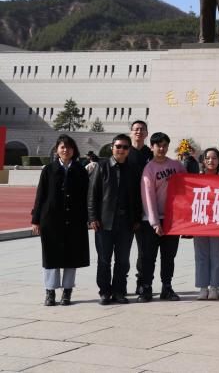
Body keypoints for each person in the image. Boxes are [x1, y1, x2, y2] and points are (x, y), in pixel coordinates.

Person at [32, 135, 90, 306]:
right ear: (57, 149)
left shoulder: (80, 170)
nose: (66, 150)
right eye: (62, 147)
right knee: (51, 256)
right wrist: (36, 220)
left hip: (74, 220)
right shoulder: (48, 170)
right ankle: (50, 292)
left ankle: (67, 291)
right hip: (51, 220)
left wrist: (88, 218)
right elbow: (40, 195)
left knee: (72, 256)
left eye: (69, 147)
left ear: (74, 150)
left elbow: (87, 196)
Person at [88, 133, 141, 305]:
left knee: (123, 260)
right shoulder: (102, 167)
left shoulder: (133, 169)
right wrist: (92, 217)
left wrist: (136, 219)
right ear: (112, 147)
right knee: (104, 259)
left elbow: (137, 197)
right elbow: (92, 194)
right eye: (118, 146)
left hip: (126, 222)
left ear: (129, 150)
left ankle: (119, 291)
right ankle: (105, 292)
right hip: (104, 222)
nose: (121, 150)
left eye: (125, 147)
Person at [139, 132, 185, 301]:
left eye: (165, 145)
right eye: (158, 145)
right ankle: (146, 287)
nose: (162, 148)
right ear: (152, 147)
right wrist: (155, 222)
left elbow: (188, 185)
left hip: (172, 220)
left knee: (168, 257)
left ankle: (167, 287)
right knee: (148, 257)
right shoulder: (149, 169)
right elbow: (148, 197)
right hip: (152, 221)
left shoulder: (176, 165)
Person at [194, 148, 219, 300]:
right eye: (208, 158)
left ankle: (215, 286)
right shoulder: (195, 179)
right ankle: (203, 286)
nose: (211, 161)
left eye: (214, 158)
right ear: (203, 161)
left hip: (218, 221)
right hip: (200, 221)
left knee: (217, 255)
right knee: (201, 255)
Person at [126, 120, 152, 297]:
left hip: (145, 210)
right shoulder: (124, 151)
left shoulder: (150, 154)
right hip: (126, 209)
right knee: (122, 252)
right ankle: (119, 285)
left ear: (146, 133)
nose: (139, 132)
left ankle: (142, 283)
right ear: (131, 132)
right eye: (136, 129)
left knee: (144, 251)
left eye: (142, 129)